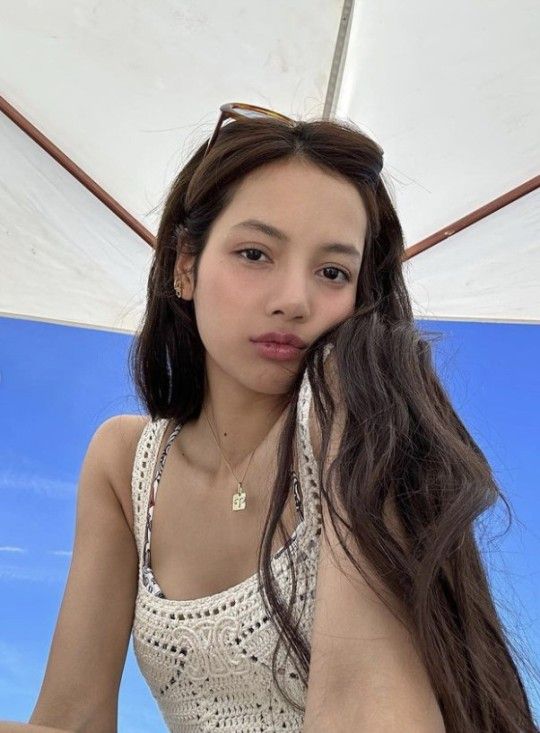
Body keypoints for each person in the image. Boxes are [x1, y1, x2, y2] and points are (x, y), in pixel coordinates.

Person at [1, 103, 537, 732]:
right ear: (184, 265)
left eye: (332, 271)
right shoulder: (126, 465)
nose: (293, 300)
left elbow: (363, 710)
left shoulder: (346, 405)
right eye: (255, 254)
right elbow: (72, 721)